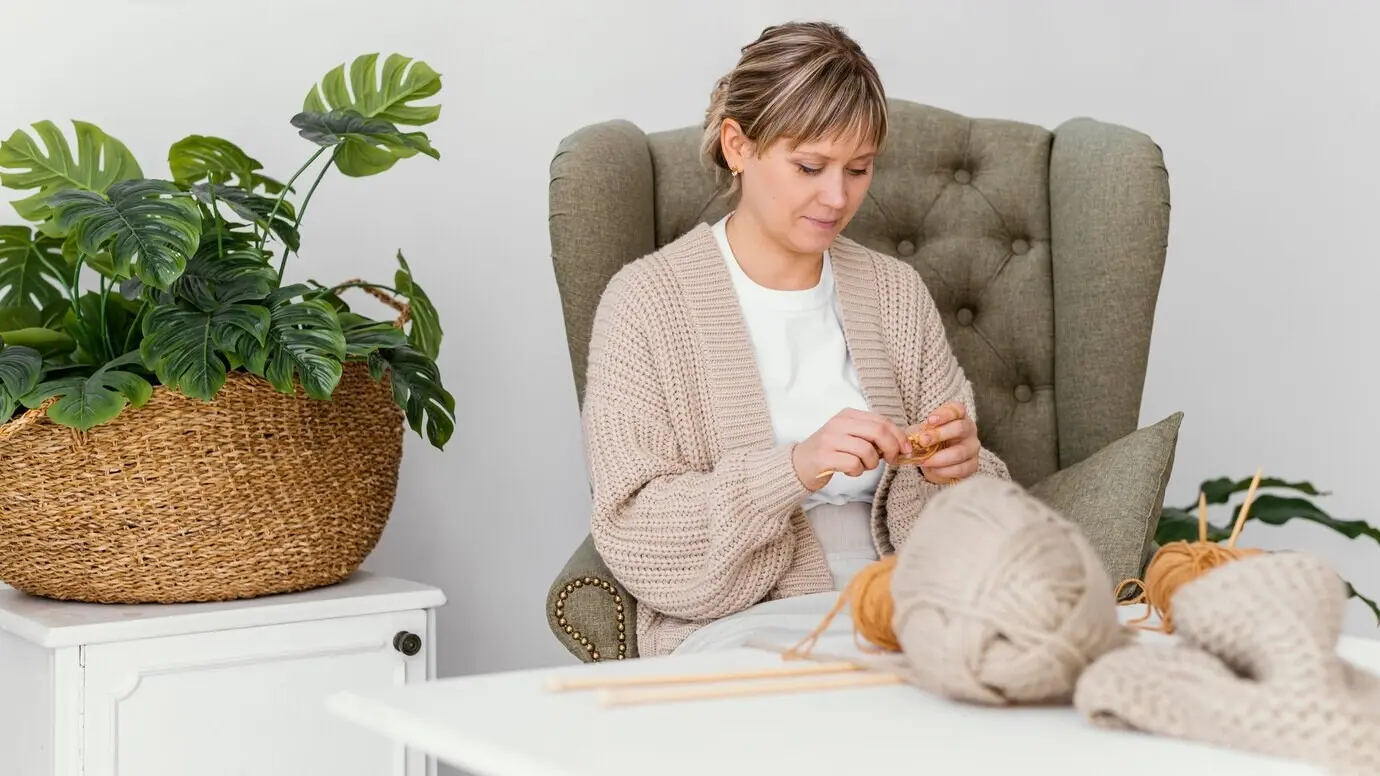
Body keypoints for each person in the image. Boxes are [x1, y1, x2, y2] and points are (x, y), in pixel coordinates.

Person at [580, 20, 1012, 659]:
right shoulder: (646, 303)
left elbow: (982, 511)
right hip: (745, 620)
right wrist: (797, 467)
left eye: (859, 169)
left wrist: (962, 469)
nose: (837, 197)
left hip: (913, 602)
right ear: (738, 146)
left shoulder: (894, 292)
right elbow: (634, 529)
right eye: (810, 166)